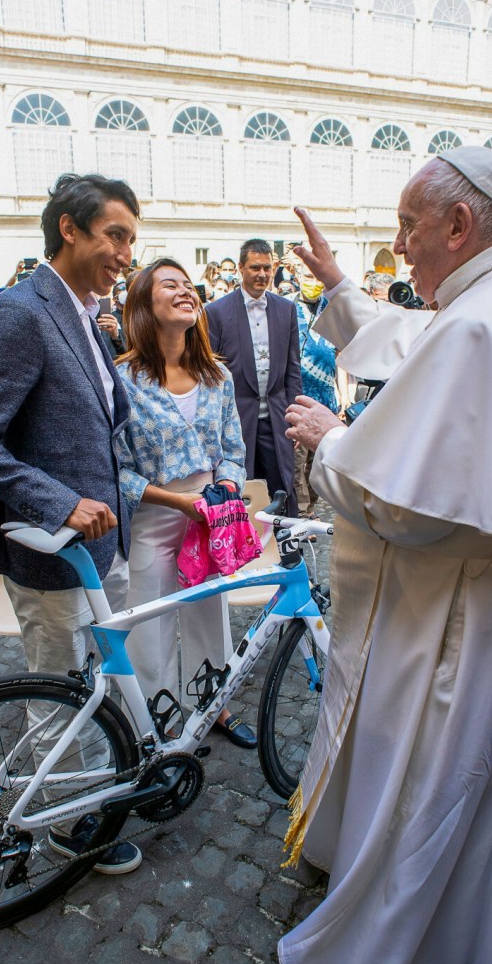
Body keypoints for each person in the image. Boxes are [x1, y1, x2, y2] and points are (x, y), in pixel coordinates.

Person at [277, 146, 492, 964]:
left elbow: (404, 500)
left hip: (464, 601)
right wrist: (338, 289)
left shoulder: (485, 320)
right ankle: (471, 943)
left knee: (439, 781)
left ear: (458, 224)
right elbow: (414, 343)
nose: (398, 245)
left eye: (408, 225)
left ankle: (410, 959)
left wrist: (332, 439)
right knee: (486, 792)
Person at [0, 172, 143, 875]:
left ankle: (103, 787)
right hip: (54, 548)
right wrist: (59, 501)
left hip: (102, 546)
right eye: (115, 235)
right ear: (70, 229)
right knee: (57, 697)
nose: (125, 254)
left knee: (96, 689)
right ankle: (67, 823)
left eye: (130, 241)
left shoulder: (86, 312)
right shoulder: (21, 312)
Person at [115, 258, 255, 748]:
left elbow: (234, 453)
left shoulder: (216, 375)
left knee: (209, 612)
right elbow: (117, 469)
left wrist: (228, 489)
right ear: (142, 305)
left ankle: (213, 705)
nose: (184, 291)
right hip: (155, 516)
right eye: (168, 284)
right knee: (149, 622)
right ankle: (159, 719)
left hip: (208, 516)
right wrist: (177, 501)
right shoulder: (123, 379)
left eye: (188, 285)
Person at [206, 239, 302, 516]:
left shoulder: (286, 309)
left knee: (281, 484)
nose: (262, 274)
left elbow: (292, 369)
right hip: (237, 419)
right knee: (241, 488)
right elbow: (212, 374)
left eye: (267, 268)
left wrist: (295, 413)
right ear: (241, 269)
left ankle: (284, 548)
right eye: (255, 268)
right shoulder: (216, 312)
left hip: (276, 416)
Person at [292, 264, 339, 519]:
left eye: (318, 277)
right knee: (297, 462)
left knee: (318, 461)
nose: (314, 282)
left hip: (326, 397)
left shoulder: (330, 311)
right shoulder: (288, 309)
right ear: (298, 277)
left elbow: (339, 356)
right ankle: (300, 512)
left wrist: (341, 393)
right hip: (299, 398)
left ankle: (311, 507)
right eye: (309, 276)